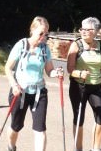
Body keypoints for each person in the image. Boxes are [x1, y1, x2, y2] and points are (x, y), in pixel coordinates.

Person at [4, 16, 63, 151]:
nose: (43, 37)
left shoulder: (45, 49)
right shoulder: (21, 45)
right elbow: (8, 68)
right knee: (16, 126)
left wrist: (57, 73)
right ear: (32, 30)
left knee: (40, 129)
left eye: (46, 34)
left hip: (39, 92)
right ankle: (11, 146)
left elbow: (49, 71)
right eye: (41, 33)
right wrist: (14, 85)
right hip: (20, 91)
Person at [66, 17, 101, 151]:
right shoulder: (76, 45)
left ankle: (96, 148)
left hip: (96, 86)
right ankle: (78, 148)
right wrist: (79, 74)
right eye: (82, 29)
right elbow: (70, 68)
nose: (84, 31)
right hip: (78, 86)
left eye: (88, 29)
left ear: (95, 31)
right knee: (79, 118)